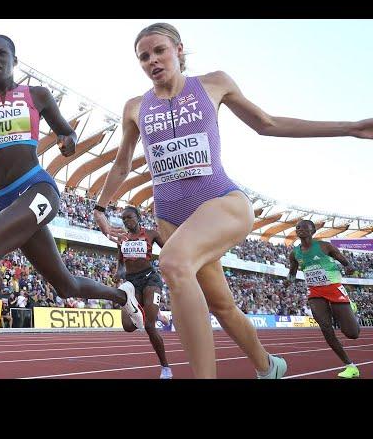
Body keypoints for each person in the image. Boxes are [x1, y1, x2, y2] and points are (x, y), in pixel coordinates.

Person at [93, 22, 373, 379]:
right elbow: (120, 165)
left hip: (222, 201)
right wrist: (101, 207)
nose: (153, 60)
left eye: (159, 50)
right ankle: (268, 366)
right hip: (172, 217)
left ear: (179, 50)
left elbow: (267, 123)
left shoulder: (213, 83)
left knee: (174, 262)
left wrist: (348, 127)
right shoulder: (135, 107)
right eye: (143, 57)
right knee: (222, 306)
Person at [0, 34, 143, 379]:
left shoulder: (36, 95)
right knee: (66, 286)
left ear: (15, 60)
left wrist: (67, 142)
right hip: (9, 202)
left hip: (39, 190)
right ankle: (122, 296)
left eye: (0, 54)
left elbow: (68, 134)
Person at [288, 220, 361, 378]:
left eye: (304, 227)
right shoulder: (294, 253)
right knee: (326, 328)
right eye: (297, 227)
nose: (299, 229)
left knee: (352, 333)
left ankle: (350, 308)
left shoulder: (324, 246)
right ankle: (350, 366)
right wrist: (290, 280)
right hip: (315, 292)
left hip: (334, 289)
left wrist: (350, 268)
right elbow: (292, 271)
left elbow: (344, 261)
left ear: (312, 230)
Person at [117, 206, 173, 379]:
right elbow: (120, 262)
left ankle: (165, 368)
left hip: (150, 279)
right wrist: (118, 271)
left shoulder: (151, 234)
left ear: (138, 217)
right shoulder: (122, 238)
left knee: (149, 326)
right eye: (124, 219)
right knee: (127, 326)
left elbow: (169, 248)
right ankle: (155, 313)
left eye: (129, 217)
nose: (126, 221)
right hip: (131, 283)